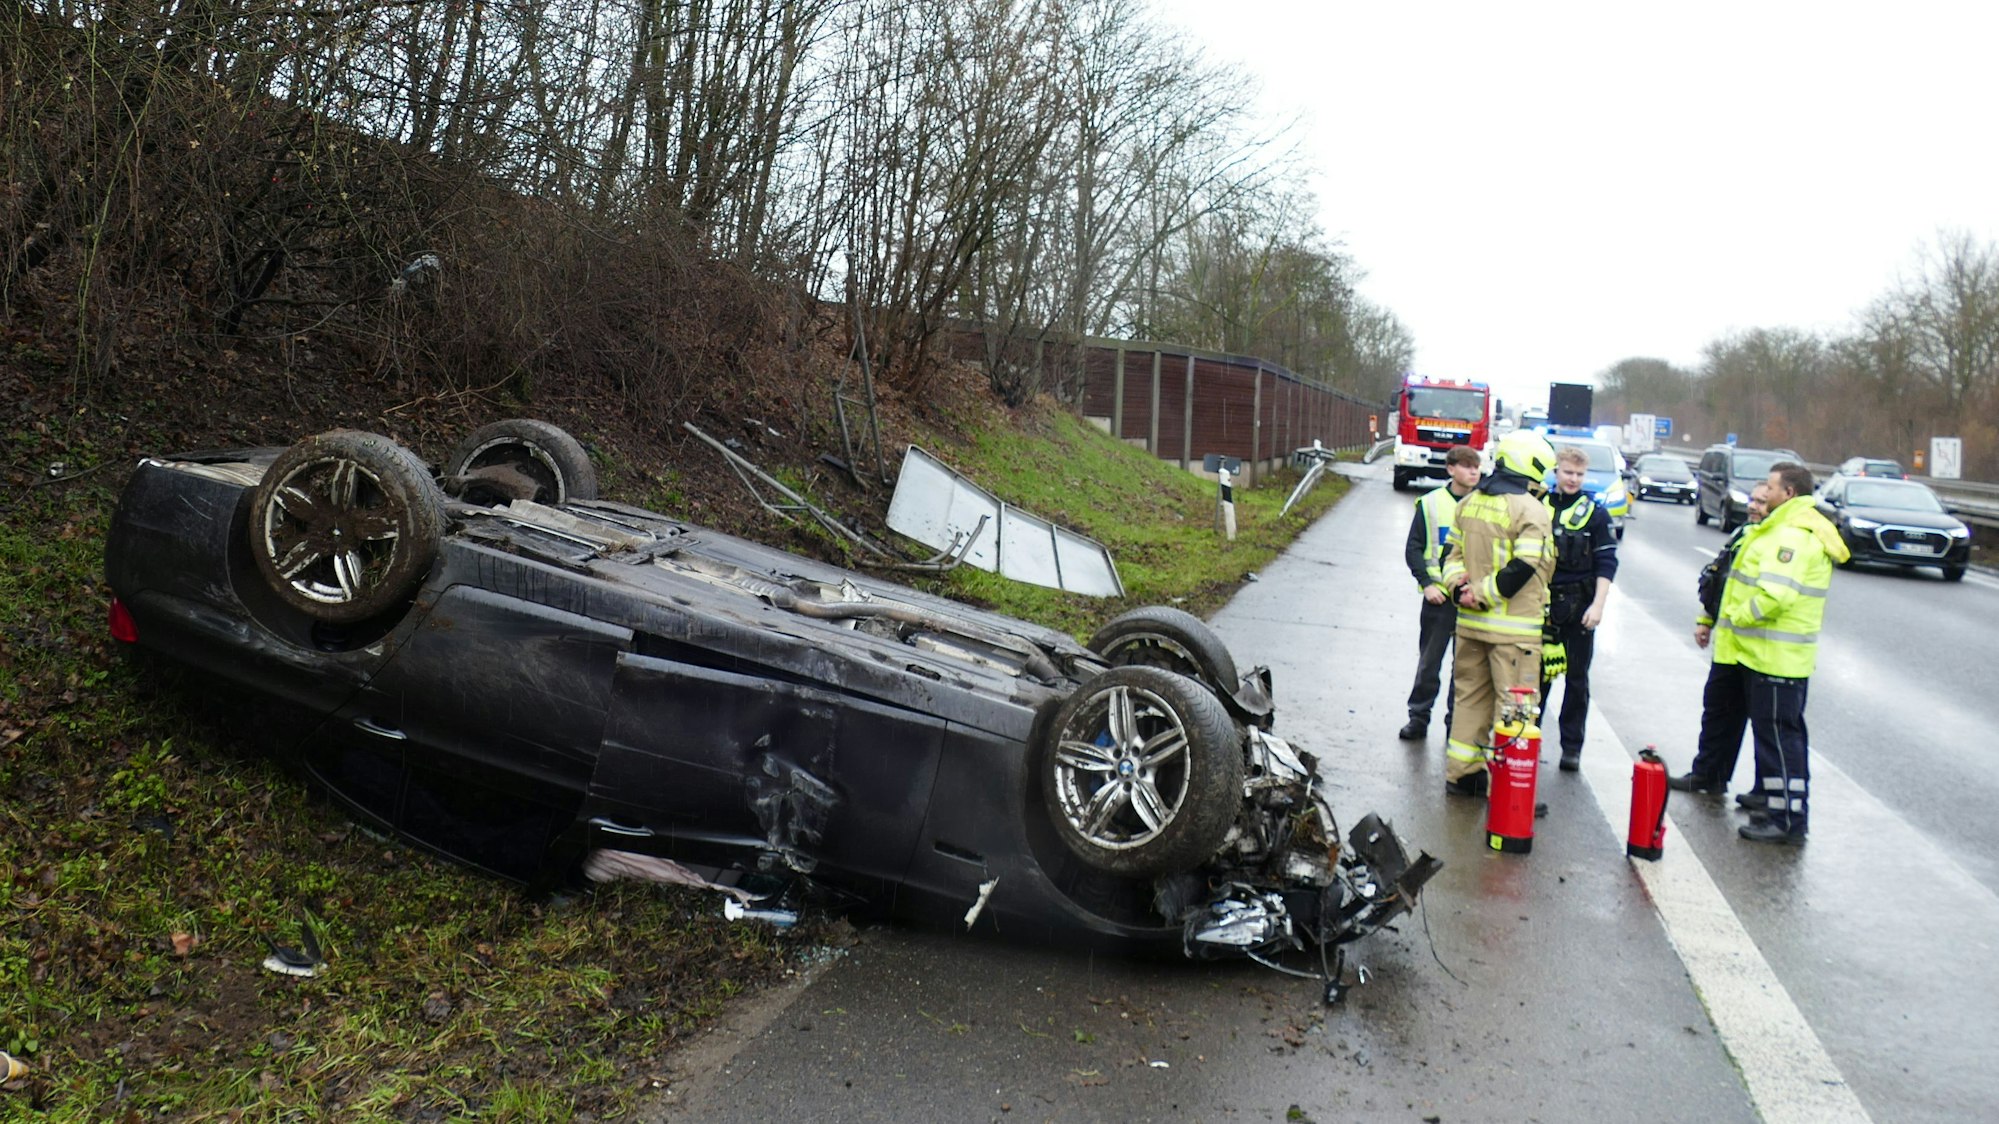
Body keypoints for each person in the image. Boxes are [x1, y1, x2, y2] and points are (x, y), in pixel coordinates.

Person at [1717, 462, 1848, 845]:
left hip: (1777, 657)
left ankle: (1786, 818)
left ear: (1788, 493)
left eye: (1771, 487)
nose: (1765, 493)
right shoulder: (1794, 527)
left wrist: (1737, 615)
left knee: (1780, 740)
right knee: (1776, 737)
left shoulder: (1792, 534)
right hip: (1775, 656)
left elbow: (1776, 594)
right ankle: (1775, 802)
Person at [1438, 430, 1557, 797]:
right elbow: (1525, 565)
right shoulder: (1531, 510)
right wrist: (1485, 594)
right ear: (1533, 465)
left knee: (1469, 699)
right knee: (1516, 709)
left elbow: (1448, 558)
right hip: (1514, 633)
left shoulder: (1470, 502)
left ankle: (1463, 775)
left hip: (1470, 626)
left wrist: (1462, 590)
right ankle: (1510, 789)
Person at [1668, 482, 1771, 800]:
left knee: (1763, 726)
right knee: (1717, 713)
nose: (1754, 507)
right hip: (1728, 645)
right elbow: (1718, 581)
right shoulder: (1744, 534)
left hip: (1759, 650)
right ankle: (1708, 775)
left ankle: (1764, 791)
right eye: (1753, 500)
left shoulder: (1773, 541)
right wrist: (1706, 620)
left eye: (1763, 502)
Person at [1540, 446, 1619, 771]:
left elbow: (1607, 562)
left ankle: (1571, 748)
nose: (1572, 479)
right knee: (1535, 681)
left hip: (1579, 609)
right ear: (1556, 472)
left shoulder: (1596, 514)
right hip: (1540, 608)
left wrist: (1598, 606)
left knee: (1576, 681)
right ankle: (1526, 741)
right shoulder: (1537, 505)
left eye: (1579, 474)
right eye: (1567, 472)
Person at [1399, 445, 1483, 741]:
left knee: (1465, 669)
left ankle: (1455, 725)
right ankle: (1418, 718)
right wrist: (1428, 584)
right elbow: (1413, 549)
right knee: (1429, 663)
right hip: (1438, 601)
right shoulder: (1431, 503)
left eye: (1476, 466)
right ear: (1450, 469)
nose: (1473, 471)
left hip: (1471, 601)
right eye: (1466, 466)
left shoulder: (1485, 505)